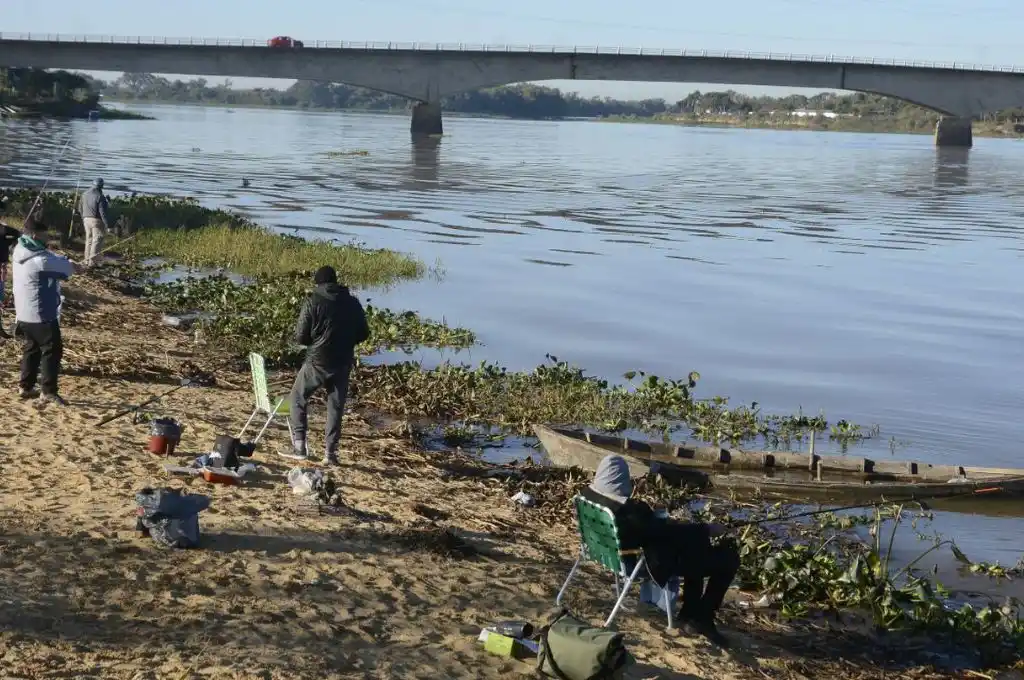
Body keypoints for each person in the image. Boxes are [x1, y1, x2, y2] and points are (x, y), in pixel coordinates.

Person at [582, 454, 740, 647]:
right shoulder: (630, 512)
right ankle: (702, 616)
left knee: (696, 544)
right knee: (728, 559)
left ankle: (691, 613)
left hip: (605, 553)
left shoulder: (588, 495)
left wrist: (694, 530)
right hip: (636, 564)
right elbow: (662, 532)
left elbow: (656, 530)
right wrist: (706, 529)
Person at [287, 265, 369, 465]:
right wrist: (347, 341)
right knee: (335, 408)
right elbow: (364, 333)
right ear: (335, 281)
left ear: (318, 283)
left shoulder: (312, 301)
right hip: (342, 362)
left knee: (297, 397)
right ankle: (330, 454)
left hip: (317, 361)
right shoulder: (353, 303)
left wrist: (315, 342)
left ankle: (299, 446)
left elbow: (301, 337)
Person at [12, 216, 75, 404]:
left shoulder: (19, 250)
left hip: (23, 313)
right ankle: (48, 391)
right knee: (52, 350)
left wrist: (64, 261)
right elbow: (66, 271)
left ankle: (26, 386)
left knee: (32, 348)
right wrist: (74, 266)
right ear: (34, 235)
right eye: (44, 235)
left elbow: (52, 259)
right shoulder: (40, 261)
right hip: (41, 314)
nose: (47, 238)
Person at [0, 197, 20, 339]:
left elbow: (17, 234)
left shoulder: (4, 229)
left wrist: (10, 241)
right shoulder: (3, 229)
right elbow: (17, 234)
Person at [80, 178, 111, 268]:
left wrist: (83, 218)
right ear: (101, 186)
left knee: (89, 240)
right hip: (96, 220)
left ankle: (86, 260)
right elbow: (102, 212)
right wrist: (107, 225)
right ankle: (92, 263)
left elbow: (80, 208)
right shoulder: (100, 196)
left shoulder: (84, 194)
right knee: (97, 240)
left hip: (86, 219)